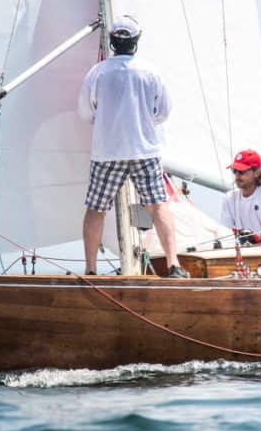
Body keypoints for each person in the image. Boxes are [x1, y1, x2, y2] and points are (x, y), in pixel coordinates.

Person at [77, 15, 188, 278]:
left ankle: (91, 269)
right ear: (136, 41)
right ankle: (174, 265)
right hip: (144, 150)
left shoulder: (98, 72)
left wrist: (105, 121)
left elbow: (85, 112)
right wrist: (143, 120)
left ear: (112, 40)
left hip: (107, 151)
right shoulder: (150, 72)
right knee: (158, 206)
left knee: (96, 208)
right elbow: (163, 112)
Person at [220, 149, 261, 244]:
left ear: (257, 173)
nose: (237, 176)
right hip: (242, 254)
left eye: (241, 172)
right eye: (235, 171)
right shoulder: (229, 198)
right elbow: (225, 236)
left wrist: (253, 238)